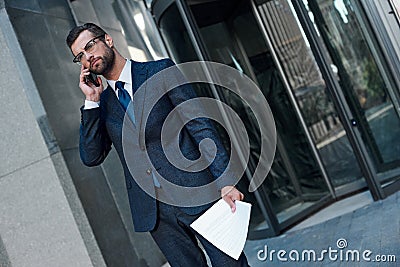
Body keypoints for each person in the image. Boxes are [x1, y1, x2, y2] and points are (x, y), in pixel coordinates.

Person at [66, 23, 249, 266]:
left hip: (198, 191)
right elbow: (91, 157)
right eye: (79, 57)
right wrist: (91, 102)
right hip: (156, 214)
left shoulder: (159, 71)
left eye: (90, 46)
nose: (88, 58)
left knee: (231, 263)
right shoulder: (101, 104)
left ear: (108, 40)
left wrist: (226, 180)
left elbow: (200, 125)